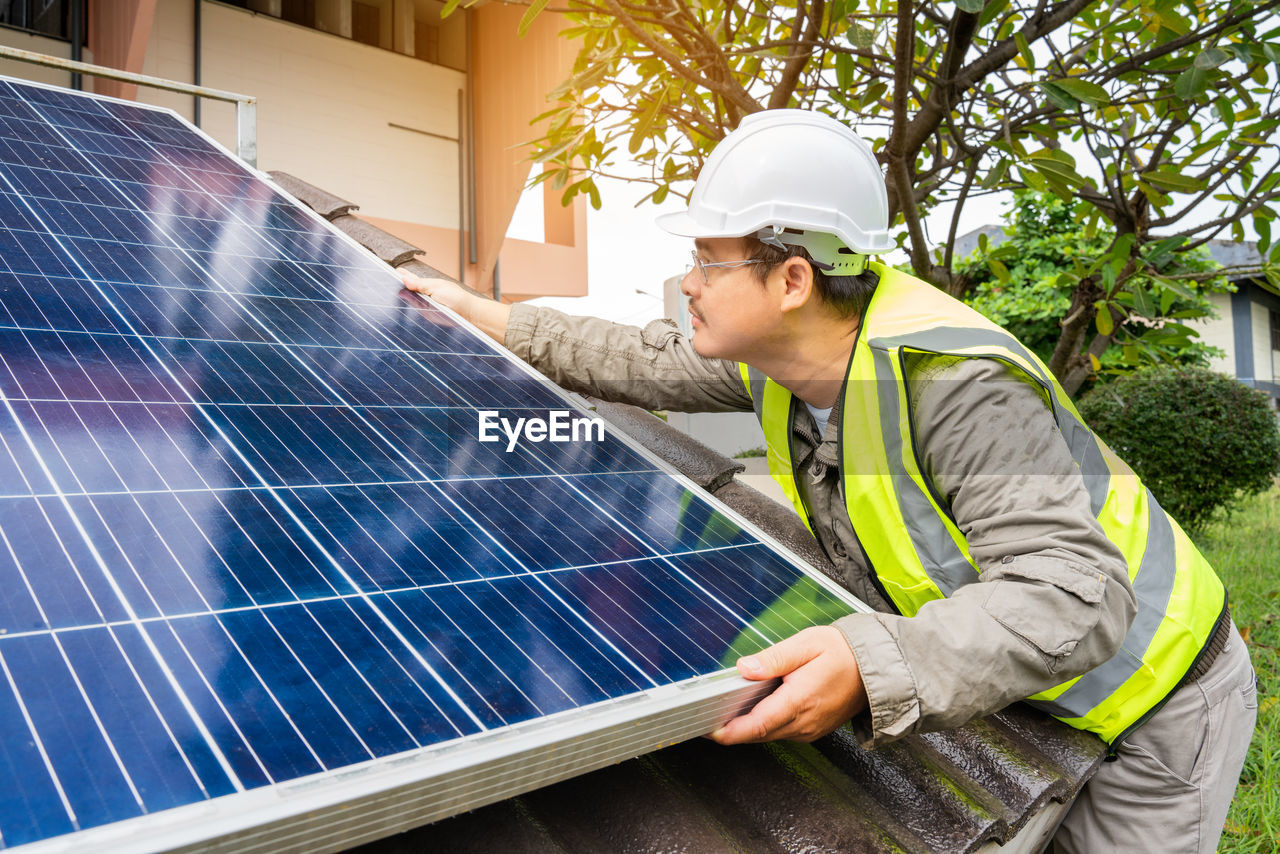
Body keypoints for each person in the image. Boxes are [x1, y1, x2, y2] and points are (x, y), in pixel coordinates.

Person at [401, 110, 1256, 853]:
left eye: (707, 260)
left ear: (792, 278)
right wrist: (496, 321)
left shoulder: (956, 388)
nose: (688, 285)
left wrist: (875, 656)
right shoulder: (787, 363)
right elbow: (641, 360)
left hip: (1156, 698)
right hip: (1034, 693)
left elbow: (1077, 597)